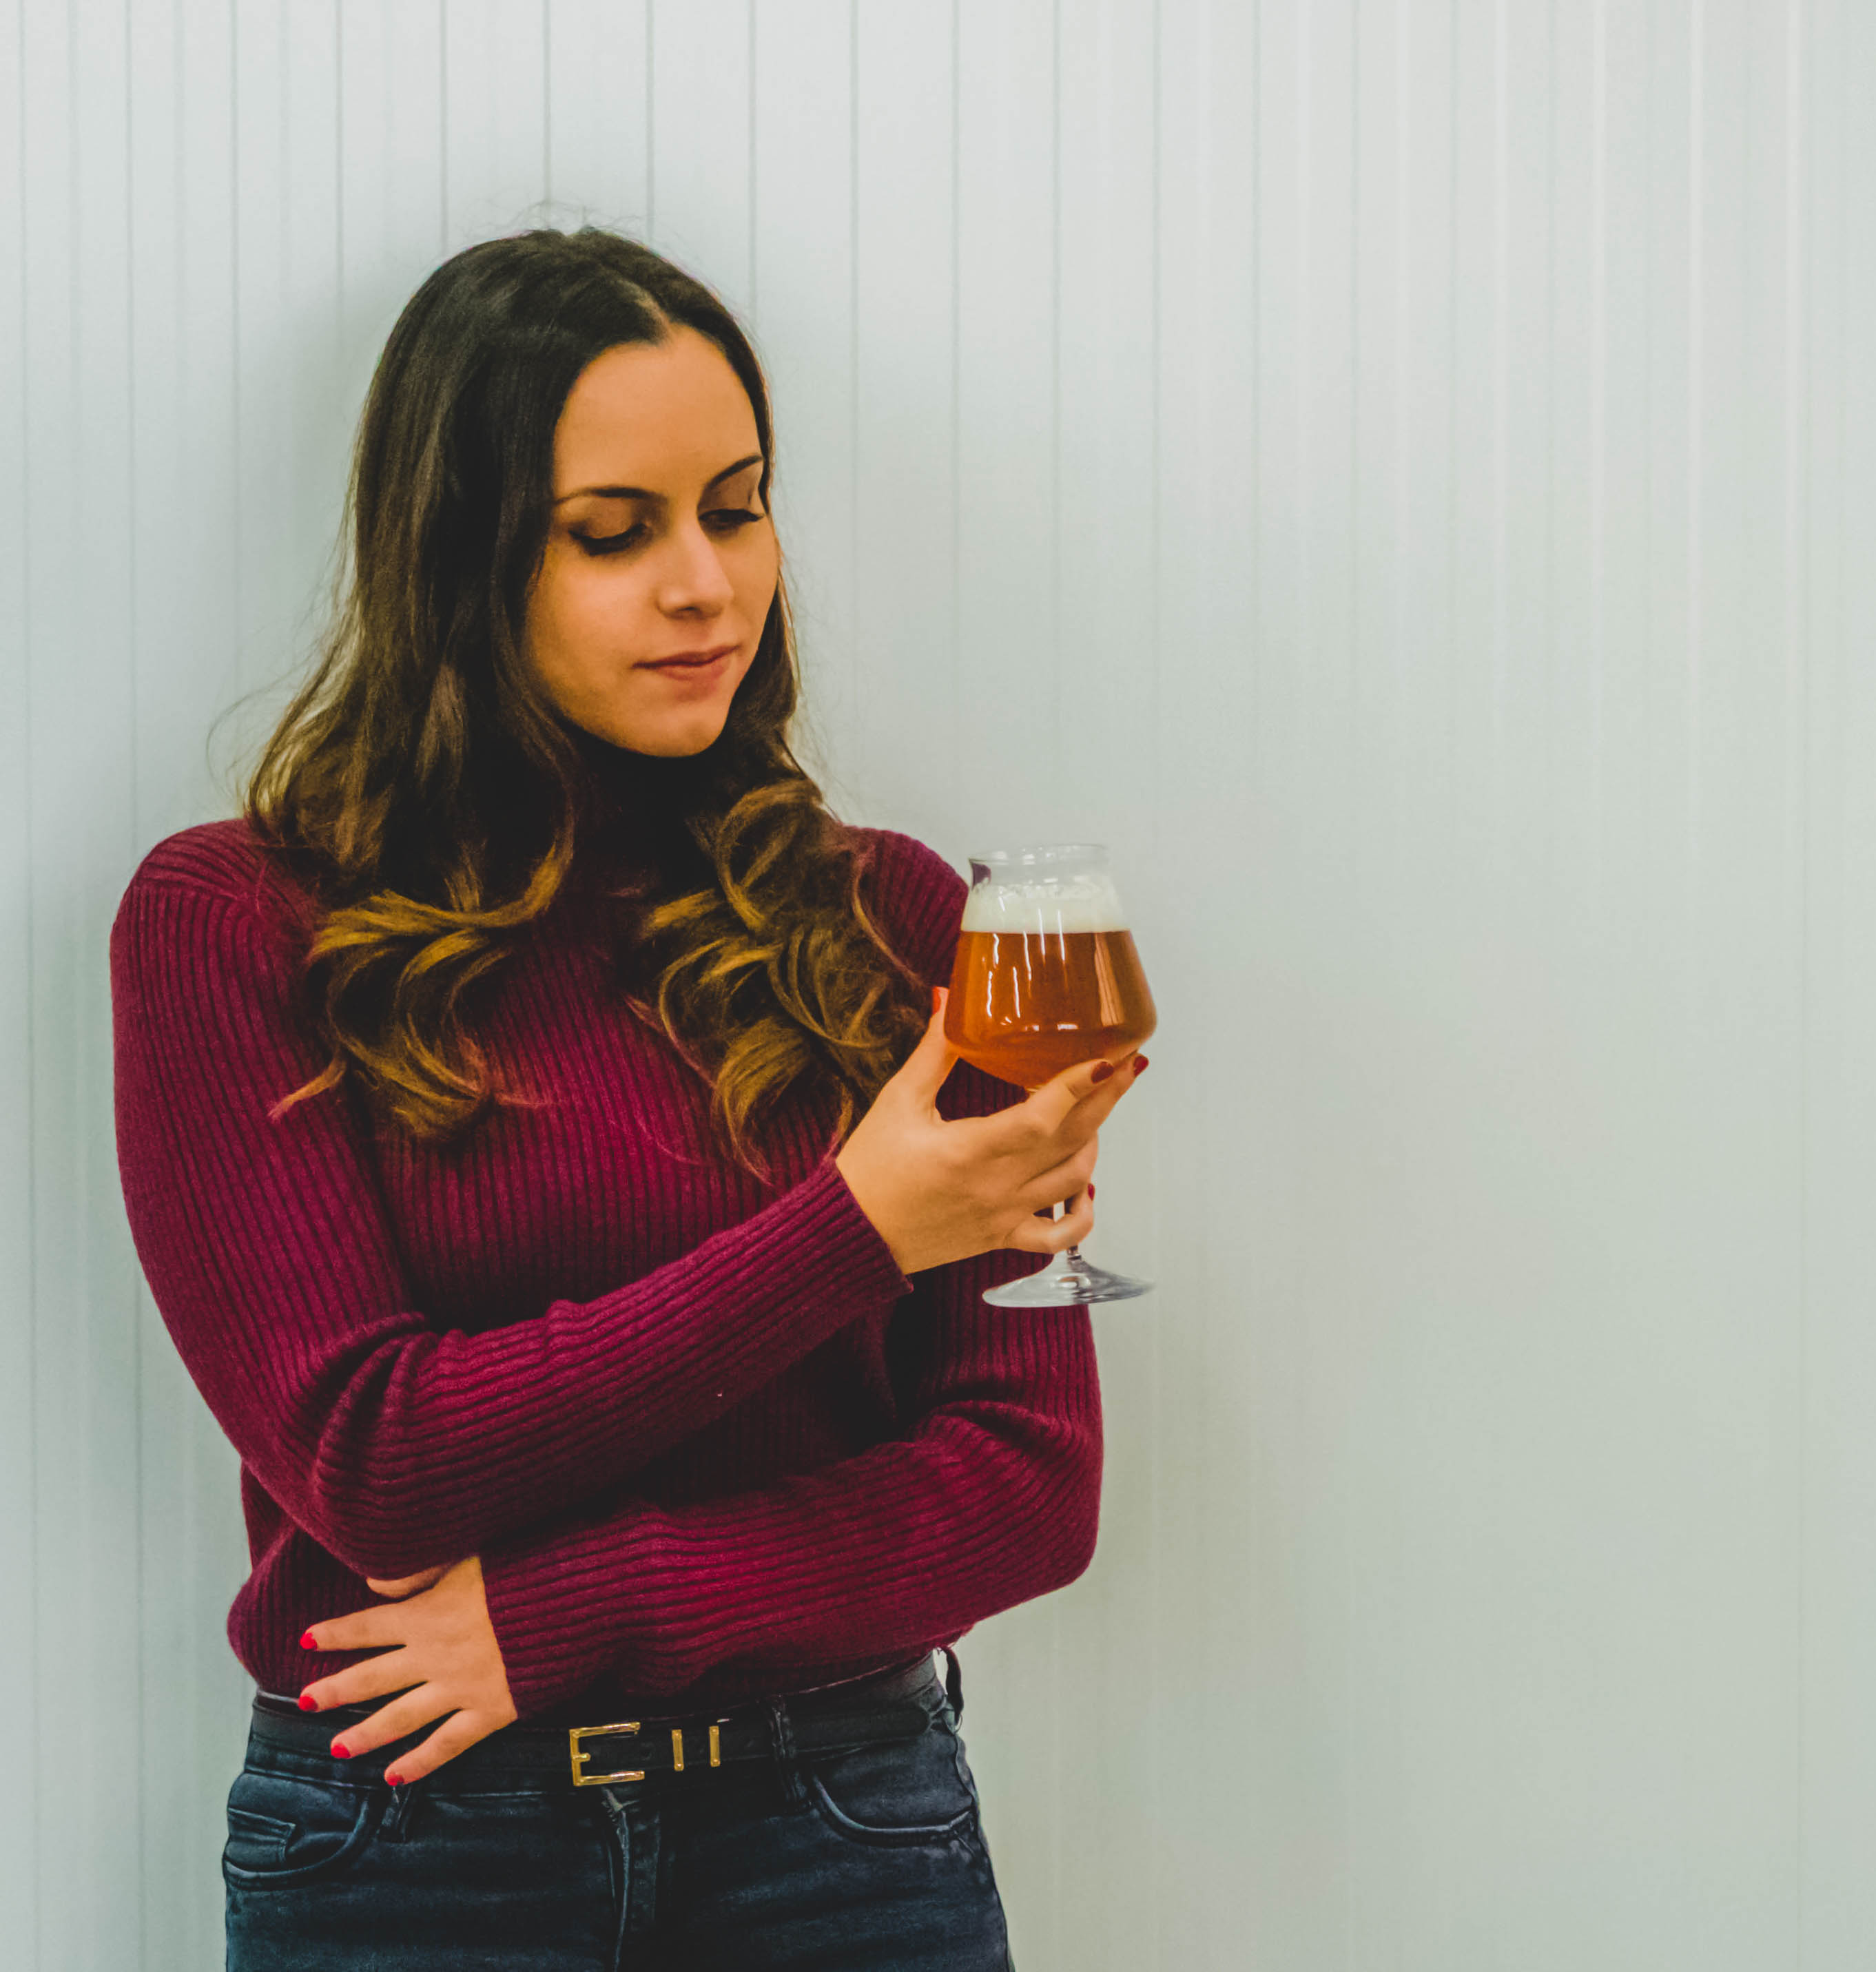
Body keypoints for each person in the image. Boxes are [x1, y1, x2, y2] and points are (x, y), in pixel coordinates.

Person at [106, 226, 1139, 1969]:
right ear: (457, 561)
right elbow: (373, 1460)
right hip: (414, 1841)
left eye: (734, 509)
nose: (706, 586)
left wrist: (577, 1608)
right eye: (615, 532)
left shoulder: (896, 919)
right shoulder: (234, 925)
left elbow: (1028, 1480)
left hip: (841, 1830)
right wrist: (862, 1227)